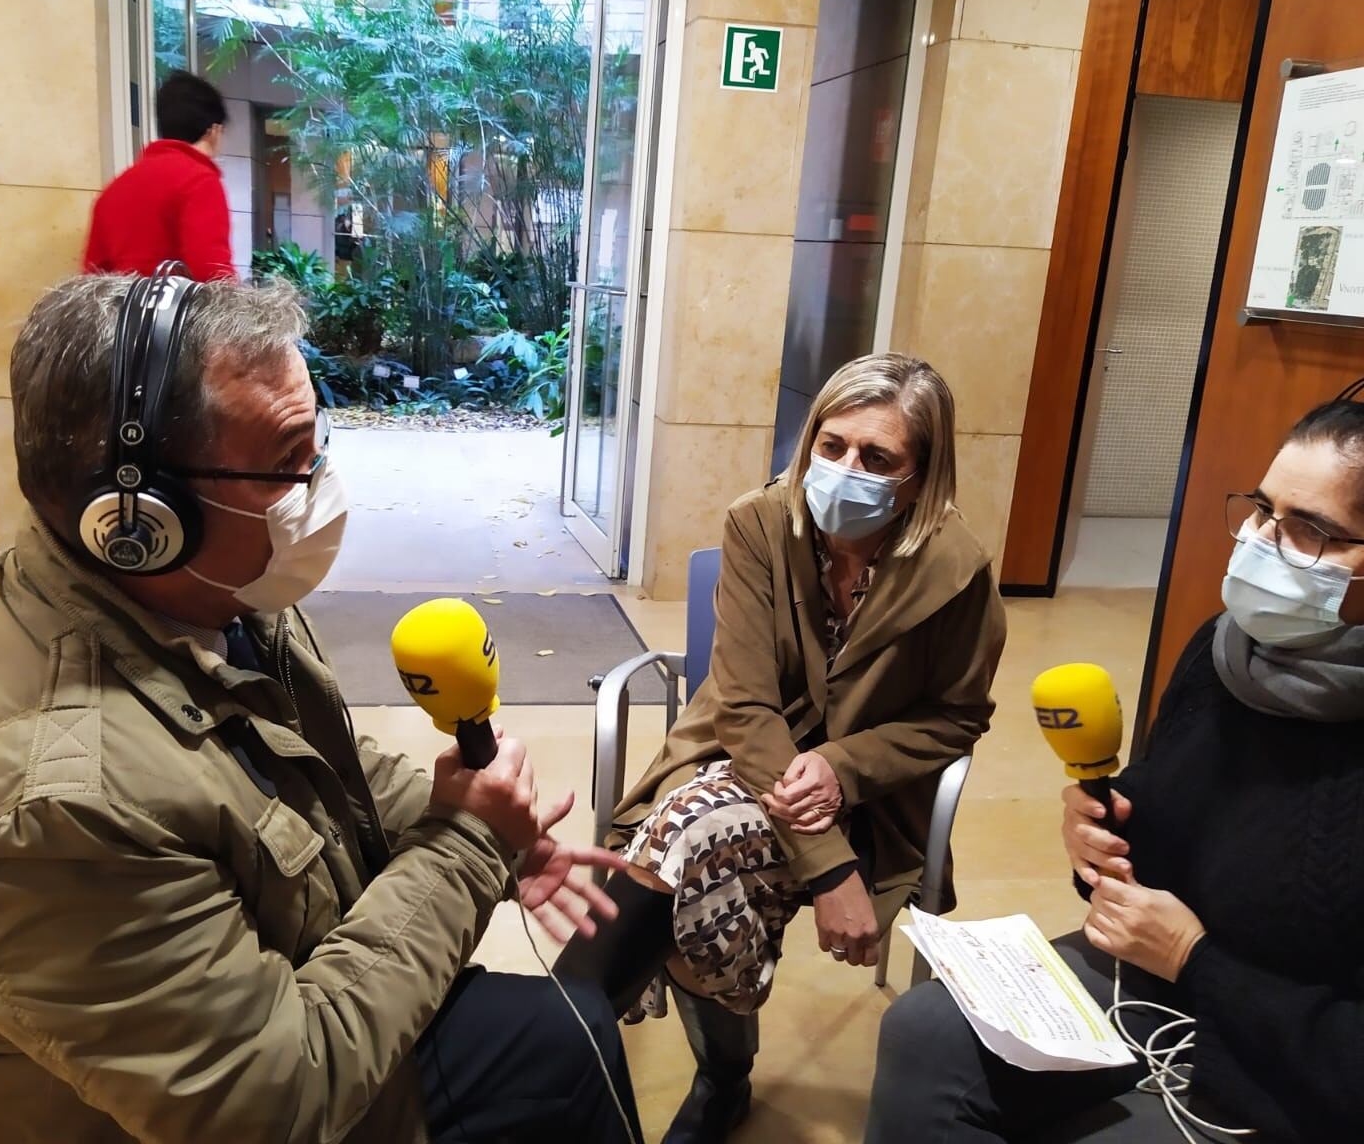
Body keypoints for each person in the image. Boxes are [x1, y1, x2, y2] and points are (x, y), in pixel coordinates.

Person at [0, 271, 643, 1143]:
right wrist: (467, 848)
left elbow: (305, 773)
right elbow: (274, 1105)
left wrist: (467, 815)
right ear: (139, 516)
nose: (319, 484)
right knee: (562, 1050)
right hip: (209, 1110)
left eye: (319, 447)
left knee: (564, 1028)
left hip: (265, 987)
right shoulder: (53, 809)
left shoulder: (200, 602)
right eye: (288, 461)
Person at [865, 391, 1364, 1143]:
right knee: (925, 1029)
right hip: (1159, 979)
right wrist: (1104, 831)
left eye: (1312, 531)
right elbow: (1172, 828)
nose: (1262, 541)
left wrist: (1195, 960)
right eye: (1263, 510)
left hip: (1292, 1058)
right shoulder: (1221, 656)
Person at [557, 354, 1008, 1143]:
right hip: (742, 755)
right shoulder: (760, 523)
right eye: (830, 446)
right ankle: (593, 1053)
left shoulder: (956, 571)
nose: (843, 469)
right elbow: (747, 705)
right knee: (694, 831)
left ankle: (577, 1048)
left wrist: (840, 767)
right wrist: (828, 871)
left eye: (877, 458)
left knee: (684, 843)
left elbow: (955, 717)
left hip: (869, 803)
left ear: (922, 476)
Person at [83, 72, 235, 281]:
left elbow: (90, 283)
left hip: (123, 312)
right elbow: (213, 274)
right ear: (214, 130)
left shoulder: (113, 191)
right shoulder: (200, 182)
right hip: (179, 312)